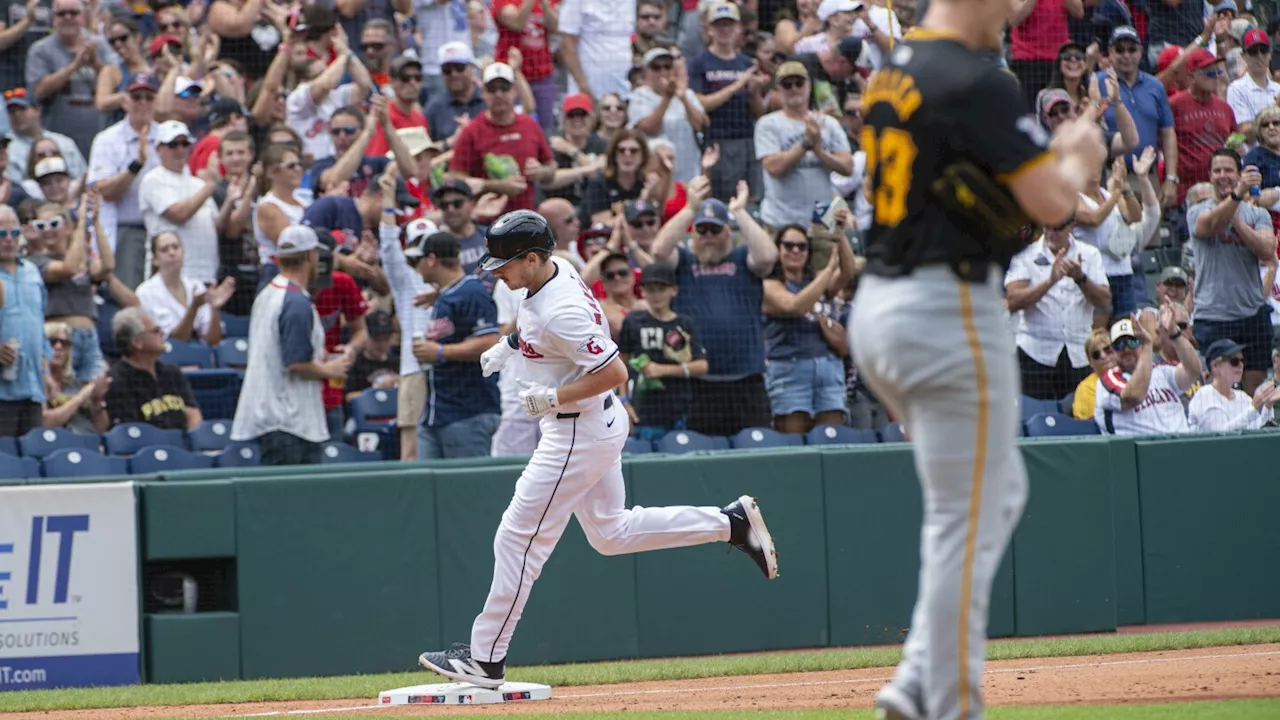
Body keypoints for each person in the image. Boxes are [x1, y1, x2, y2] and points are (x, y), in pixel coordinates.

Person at [849, 0, 1107, 717]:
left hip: (881, 306)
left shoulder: (894, 67)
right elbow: (1054, 203)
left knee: (997, 495)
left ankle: (914, 680)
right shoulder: (977, 79)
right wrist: (1081, 155)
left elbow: (973, 190)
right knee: (967, 514)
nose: (1022, 10)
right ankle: (952, 705)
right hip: (944, 308)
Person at [417, 209, 778, 688]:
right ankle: (729, 522)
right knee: (610, 533)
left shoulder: (560, 304)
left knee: (517, 536)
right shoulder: (554, 267)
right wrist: (510, 344)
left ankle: (485, 659)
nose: (495, 271)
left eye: (502, 263)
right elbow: (539, 321)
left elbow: (615, 372)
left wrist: (553, 396)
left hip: (576, 429)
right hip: (592, 425)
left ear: (530, 257)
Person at [230, 225, 353, 465]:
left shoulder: (269, 293)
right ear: (310, 256)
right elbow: (295, 363)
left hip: (277, 417)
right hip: (289, 420)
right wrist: (330, 369)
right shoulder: (295, 301)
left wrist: (320, 354)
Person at [106, 306, 203, 431]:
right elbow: (131, 430)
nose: (162, 332)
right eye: (155, 331)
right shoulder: (117, 380)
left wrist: (190, 441)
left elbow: (192, 413)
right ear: (137, 342)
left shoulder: (172, 372)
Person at [0, 203, 47, 437]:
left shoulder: (32, 272)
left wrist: (46, 374)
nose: (9, 239)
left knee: (33, 458)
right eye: (1, 234)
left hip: (32, 389)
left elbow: (40, 327)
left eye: (14, 233)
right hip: (1, 394)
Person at [1188, 337, 1279, 432]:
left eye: (1242, 361)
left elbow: (1258, 430)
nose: (1241, 365)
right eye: (1234, 361)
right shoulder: (1204, 396)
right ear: (1215, 366)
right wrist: (1254, 408)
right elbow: (1220, 436)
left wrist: (1268, 405)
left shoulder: (1243, 397)